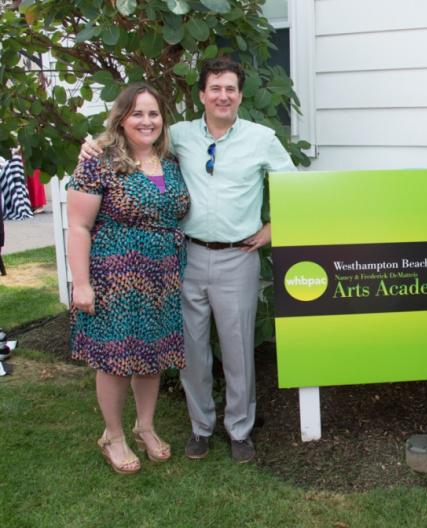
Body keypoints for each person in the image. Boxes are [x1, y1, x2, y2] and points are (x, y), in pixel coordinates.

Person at [82, 57, 297, 463]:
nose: (223, 95)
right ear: (201, 94)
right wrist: (91, 144)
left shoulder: (262, 138)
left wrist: (273, 229)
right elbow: (129, 143)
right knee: (191, 350)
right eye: (215, 88)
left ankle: (239, 430)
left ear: (240, 95)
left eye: (230, 88)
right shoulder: (177, 134)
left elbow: (296, 188)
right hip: (185, 257)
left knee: (238, 351)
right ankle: (201, 426)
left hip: (239, 257)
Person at [68, 83, 190, 474]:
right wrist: (81, 283)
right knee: (117, 359)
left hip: (163, 277)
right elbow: (78, 227)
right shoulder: (98, 160)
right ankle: (113, 435)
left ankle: (146, 427)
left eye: (153, 113)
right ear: (121, 118)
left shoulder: (170, 163)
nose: (147, 120)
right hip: (115, 276)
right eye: (138, 113)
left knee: (152, 357)